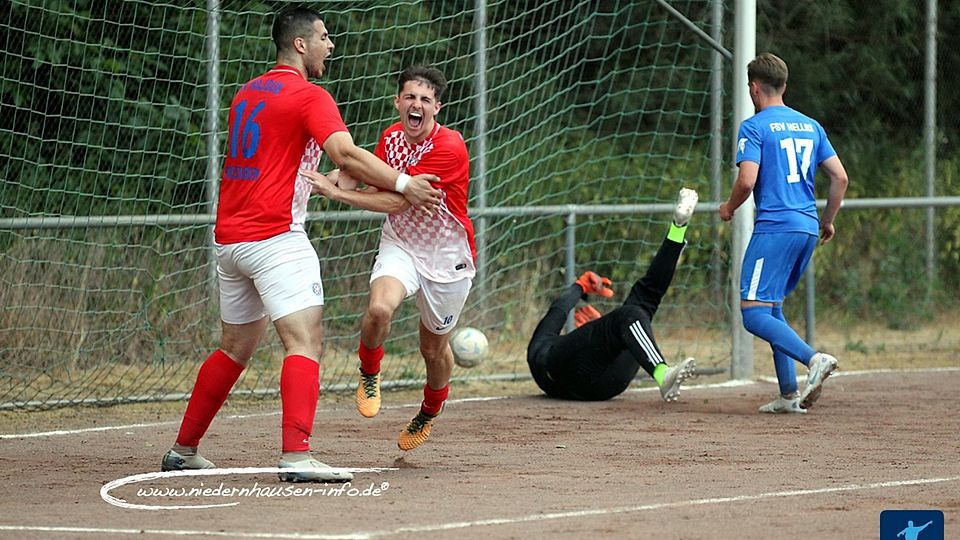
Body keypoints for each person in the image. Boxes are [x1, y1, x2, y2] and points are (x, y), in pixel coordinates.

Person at [160, 7, 443, 482]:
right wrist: (404, 182)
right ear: (300, 44)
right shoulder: (309, 94)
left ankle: (184, 449)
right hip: (276, 238)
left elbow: (291, 160)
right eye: (324, 37)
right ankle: (296, 455)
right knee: (305, 340)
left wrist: (337, 180)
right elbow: (346, 152)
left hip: (231, 240)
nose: (330, 46)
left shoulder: (247, 93)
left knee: (234, 347)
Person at [313, 66, 473, 452]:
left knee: (433, 349)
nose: (416, 105)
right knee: (379, 310)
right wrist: (325, 177)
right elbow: (371, 177)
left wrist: (338, 193)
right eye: (410, 97)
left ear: (437, 107)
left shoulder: (449, 146)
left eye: (425, 99)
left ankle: (429, 411)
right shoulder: (391, 136)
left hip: (446, 257)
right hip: (401, 243)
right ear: (398, 102)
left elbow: (399, 199)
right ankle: (369, 372)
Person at [719, 52, 849, 414]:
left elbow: (747, 180)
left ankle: (815, 360)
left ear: (753, 88)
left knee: (752, 313)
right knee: (772, 307)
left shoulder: (755, 127)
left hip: (775, 228)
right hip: (807, 227)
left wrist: (728, 208)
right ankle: (789, 394)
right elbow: (840, 177)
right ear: (785, 86)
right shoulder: (811, 125)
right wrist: (827, 220)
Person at [526, 188, 699, 402]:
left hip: (608, 383)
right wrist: (579, 288)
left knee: (642, 302)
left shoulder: (542, 348)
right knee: (628, 315)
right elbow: (559, 309)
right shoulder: (544, 348)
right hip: (574, 377)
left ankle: (678, 227)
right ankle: (663, 374)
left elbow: (560, 310)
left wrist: (581, 287)